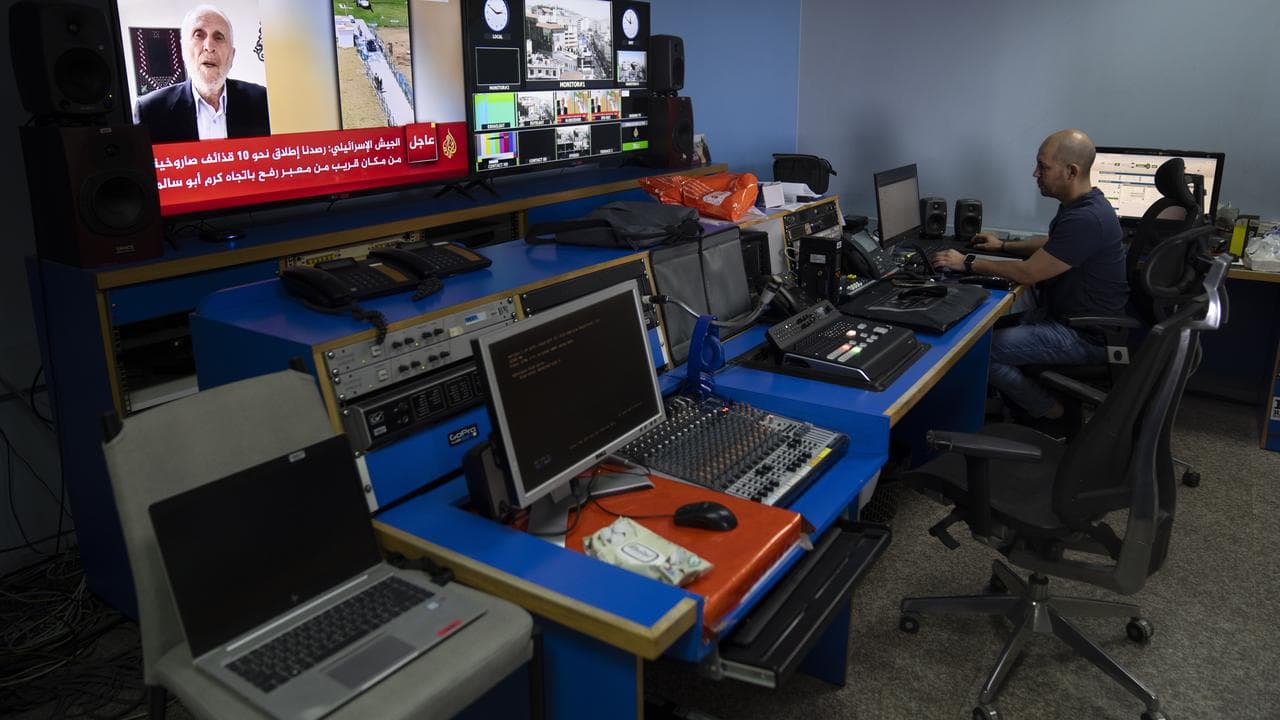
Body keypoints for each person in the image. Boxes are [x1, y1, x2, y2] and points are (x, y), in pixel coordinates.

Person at [931, 128, 1128, 428]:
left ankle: (1050, 412)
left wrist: (967, 263)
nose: (1035, 173)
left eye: (1044, 167)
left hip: (1084, 335)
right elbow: (1054, 243)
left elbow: (1030, 273)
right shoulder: (1087, 204)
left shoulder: (1086, 218)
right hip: (1066, 317)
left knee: (977, 348)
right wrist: (1003, 246)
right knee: (983, 327)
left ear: (1071, 171)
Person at [136, 5, 270, 143]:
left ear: (232, 55)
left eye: (219, 37)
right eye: (199, 35)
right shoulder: (150, 112)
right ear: (183, 50)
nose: (209, 46)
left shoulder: (263, 102)